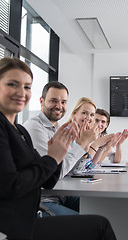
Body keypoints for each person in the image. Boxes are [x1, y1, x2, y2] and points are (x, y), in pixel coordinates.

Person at [0, 57, 116, 240]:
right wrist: (53, 158)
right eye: (13, 84)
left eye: (27, 87)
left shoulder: (19, 131)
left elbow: (48, 180)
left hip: (24, 218)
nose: (21, 92)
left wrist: (58, 154)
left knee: (103, 215)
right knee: (100, 226)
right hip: (5, 227)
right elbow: (11, 186)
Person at [24, 82, 92, 216]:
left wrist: (85, 147)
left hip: (61, 195)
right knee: (93, 224)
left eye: (63, 102)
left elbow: (73, 171)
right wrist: (81, 144)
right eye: (53, 101)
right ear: (41, 101)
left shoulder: (57, 127)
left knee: (103, 208)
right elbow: (52, 174)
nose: (59, 106)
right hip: (43, 201)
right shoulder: (35, 127)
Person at [67, 98, 115, 174]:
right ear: (74, 114)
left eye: (92, 115)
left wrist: (101, 148)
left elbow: (89, 167)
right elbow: (71, 169)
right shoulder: (67, 134)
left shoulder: (84, 133)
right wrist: (96, 145)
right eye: (84, 113)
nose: (88, 118)